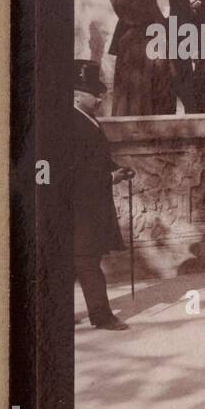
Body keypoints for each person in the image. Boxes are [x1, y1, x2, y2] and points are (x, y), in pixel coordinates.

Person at [71, 60, 136, 330]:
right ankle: (101, 315)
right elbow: (73, 172)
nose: (100, 98)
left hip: (90, 205)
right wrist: (111, 177)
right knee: (87, 261)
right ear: (75, 95)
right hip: (79, 208)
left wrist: (117, 168)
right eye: (93, 93)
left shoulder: (87, 119)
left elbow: (97, 160)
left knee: (77, 262)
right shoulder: (70, 123)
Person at [108, 0, 176, 117]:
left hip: (126, 45)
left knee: (127, 86)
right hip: (145, 43)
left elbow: (122, 24)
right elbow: (159, 23)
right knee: (145, 85)